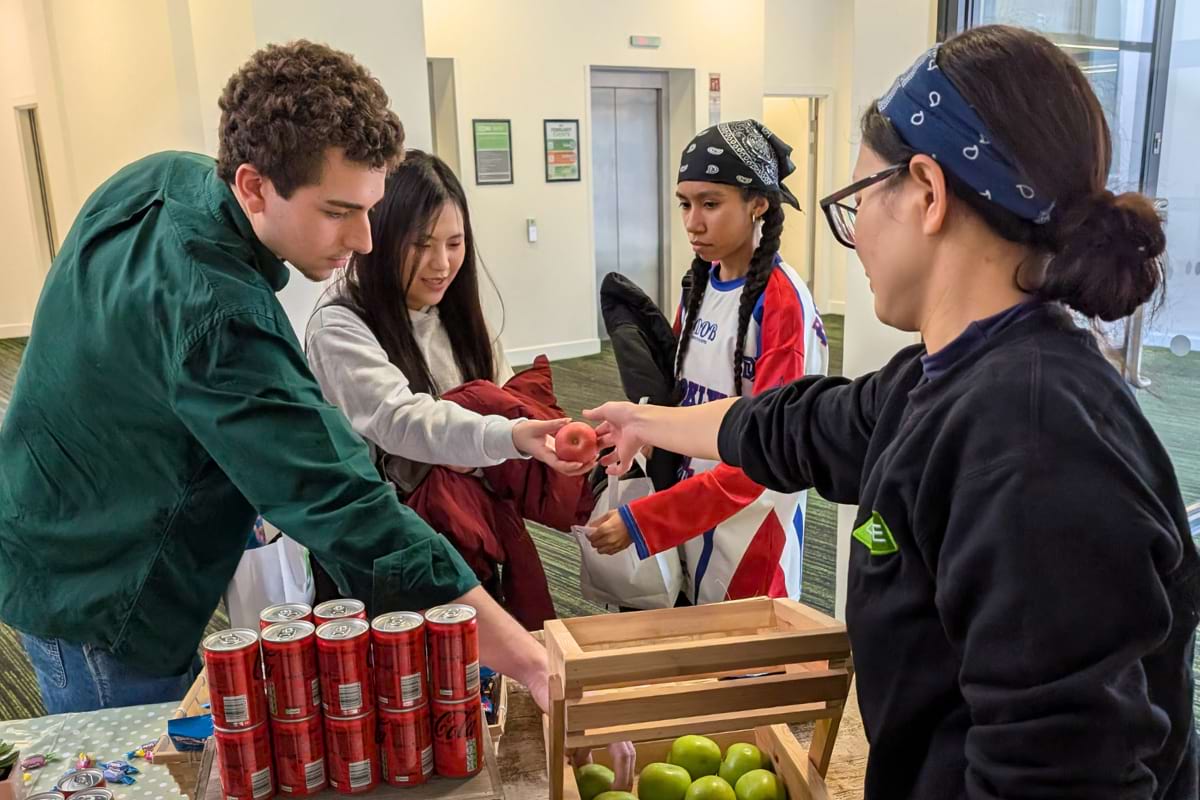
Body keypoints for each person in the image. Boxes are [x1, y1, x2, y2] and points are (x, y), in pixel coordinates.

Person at [585, 25, 1199, 798]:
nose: (856, 234)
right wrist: (641, 422)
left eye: (858, 199)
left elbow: (1059, 774)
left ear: (929, 194)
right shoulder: (944, 379)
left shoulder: (1032, 442)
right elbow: (800, 425)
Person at [0, 41, 565, 747]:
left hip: (48, 512)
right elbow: (342, 500)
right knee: (126, 766)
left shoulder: (163, 176)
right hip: (100, 580)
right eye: (337, 211)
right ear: (254, 185)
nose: (363, 239)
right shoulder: (220, 312)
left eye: (370, 209)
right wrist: (528, 663)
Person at [305, 150, 588, 627]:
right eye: (421, 244)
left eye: (455, 243)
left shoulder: (456, 316)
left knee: (482, 674)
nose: (441, 263)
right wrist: (510, 435)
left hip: (468, 536)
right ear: (382, 236)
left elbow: (503, 397)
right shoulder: (340, 326)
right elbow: (400, 420)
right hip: (385, 549)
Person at [586, 120, 828, 605]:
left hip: (753, 529)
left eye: (711, 203)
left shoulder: (781, 303)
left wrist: (648, 519)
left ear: (758, 204)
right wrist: (644, 435)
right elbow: (687, 404)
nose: (693, 221)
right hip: (691, 512)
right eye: (685, 203)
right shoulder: (700, 287)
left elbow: (770, 454)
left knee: (746, 669)